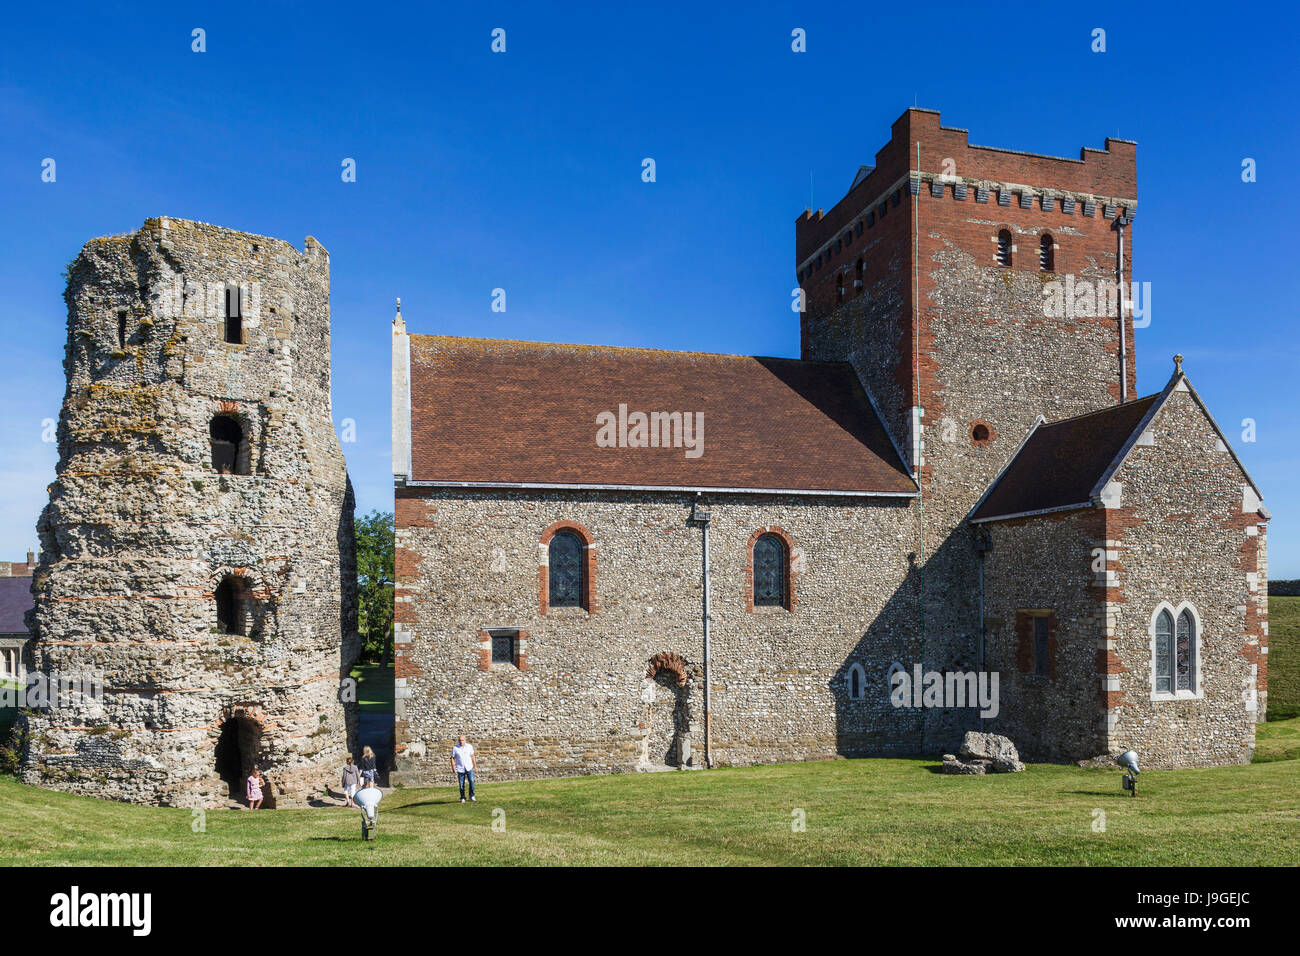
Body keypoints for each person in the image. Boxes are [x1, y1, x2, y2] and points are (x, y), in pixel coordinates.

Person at [451, 735, 476, 803]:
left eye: (462, 740)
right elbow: (452, 758)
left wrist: (475, 766)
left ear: (465, 740)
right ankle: (462, 797)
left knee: (472, 781)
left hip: (469, 767)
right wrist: (453, 767)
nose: (461, 742)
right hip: (460, 768)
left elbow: (472, 756)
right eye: (460, 740)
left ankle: (472, 796)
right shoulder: (455, 748)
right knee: (461, 784)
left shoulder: (469, 747)